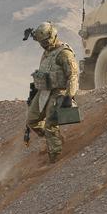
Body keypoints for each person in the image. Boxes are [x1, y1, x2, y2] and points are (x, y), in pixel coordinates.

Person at [25, 22, 79, 163]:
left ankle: (56, 156)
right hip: (44, 91)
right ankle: (55, 138)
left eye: (44, 41)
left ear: (52, 36)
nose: (43, 44)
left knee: (50, 123)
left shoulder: (64, 54)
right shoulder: (47, 52)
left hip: (58, 92)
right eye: (41, 42)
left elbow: (73, 76)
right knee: (32, 120)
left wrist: (69, 96)